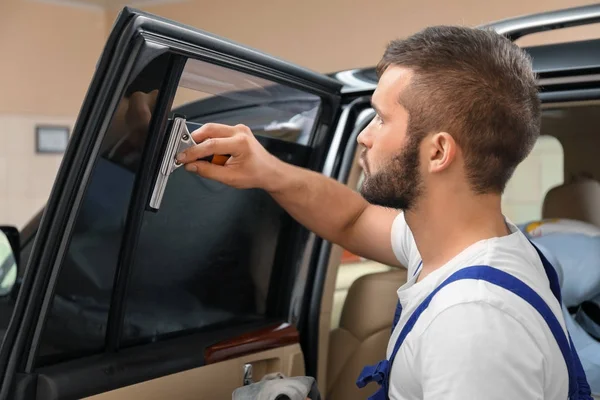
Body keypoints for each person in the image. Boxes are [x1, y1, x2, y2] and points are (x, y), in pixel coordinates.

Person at [175, 26, 588, 399]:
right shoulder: (463, 247)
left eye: (382, 118)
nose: (365, 135)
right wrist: (267, 171)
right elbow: (353, 220)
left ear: (439, 151)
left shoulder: (472, 324)